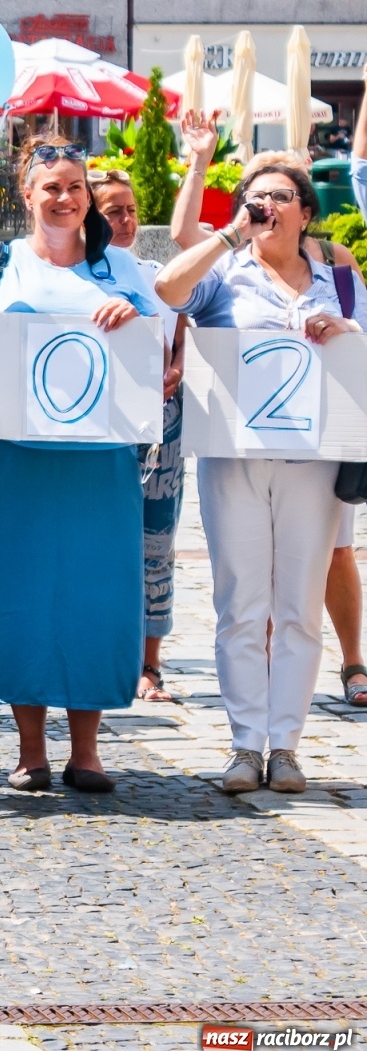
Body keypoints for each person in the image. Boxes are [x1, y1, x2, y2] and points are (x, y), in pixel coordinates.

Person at [155, 160, 367, 795]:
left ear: (305, 213)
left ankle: (287, 747)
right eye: (256, 198)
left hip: (314, 459)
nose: (267, 206)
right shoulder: (225, 273)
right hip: (235, 456)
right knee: (240, 603)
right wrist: (228, 233)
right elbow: (167, 288)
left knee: (299, 606)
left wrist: (349, 329)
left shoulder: (339, 278)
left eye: (280, 197)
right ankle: (245, 744)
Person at [0, 137, 167, 795]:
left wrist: (137, 316)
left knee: (95, 599)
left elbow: (167, 345)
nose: (63, 197)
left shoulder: (124, 269)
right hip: (14, 461)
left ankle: (88, 751)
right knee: (18, 597)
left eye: (74, 187)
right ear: (27, 194)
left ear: (88, 197)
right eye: (50, 187)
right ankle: (30, 750)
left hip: (98, 466)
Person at [88, 169, 187, 703]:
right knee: (103, 541)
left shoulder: (158, 275)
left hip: (161, 425)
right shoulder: (83, 275)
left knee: (157, 542)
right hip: (101, 425)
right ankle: (103, 652)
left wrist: (177, 369)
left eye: (129, 209)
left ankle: (151, 664)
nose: (125, 221)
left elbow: (182, 334)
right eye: (112, 212)